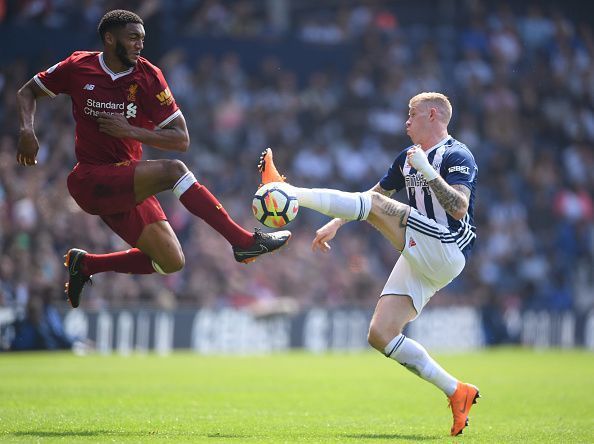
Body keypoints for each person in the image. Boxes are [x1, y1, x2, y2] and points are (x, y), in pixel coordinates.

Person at [16, 9, 290, 309]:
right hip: (90, 179)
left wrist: (128, 130)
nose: (139, 45)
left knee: (171, 261)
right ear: (109, 39)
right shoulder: (78, 66)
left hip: (128, 182)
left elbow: (181, 139)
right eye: (133, 38)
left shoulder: (148, 76)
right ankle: (242, 242)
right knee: (174, 172)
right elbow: (27, 91)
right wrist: (27, 130)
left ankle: (86, 265)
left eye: (142, 39)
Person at [259, 92, 480, 436]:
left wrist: (428, 172)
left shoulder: (456, 154)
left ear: (433, 115)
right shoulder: (407, 159)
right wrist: (337, 222)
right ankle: (457, 391)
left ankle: (286, 190)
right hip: (423, 253)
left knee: (375, 205)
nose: (406, 121)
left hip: (447, 247)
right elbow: (375, 194)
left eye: (412, 114)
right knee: (381, 334)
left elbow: (459, 208)